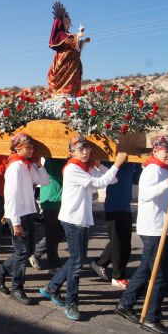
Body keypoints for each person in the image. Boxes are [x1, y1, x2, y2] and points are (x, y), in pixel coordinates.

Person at [40, 135, 126, 321]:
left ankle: (51, 288)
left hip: (82, 219)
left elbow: (112, 181)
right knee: (77, 263)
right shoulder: (73, 168)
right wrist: (116, 164)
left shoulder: (85, 167)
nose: (86, 152)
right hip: (73, 220)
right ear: (72, 152)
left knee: (75, 260)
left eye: (88, 149)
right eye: (81, 149)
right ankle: (72, 303)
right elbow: (99, 183)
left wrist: (99, 166)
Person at [115, 135, 168, 334]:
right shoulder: (152, 170)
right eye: (166, 151)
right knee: (160, 275)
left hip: (164, 226)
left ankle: (125, 304)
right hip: (154, 228)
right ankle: (152, 318)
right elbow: (145, 194)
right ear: (156, 151)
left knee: (146, 269)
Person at [0, 133, 50, 304]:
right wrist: (15, 222)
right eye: (28, 147)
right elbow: (11, 196)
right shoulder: (15, 166)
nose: (32, 150)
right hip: (18, 215)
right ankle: (17, 288)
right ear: (18, 148)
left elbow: (45, 182)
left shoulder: (27, 165)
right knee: (22, 253)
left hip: (28, 212)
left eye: (32, 147)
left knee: (26, 252)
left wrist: (39, 165)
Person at [90, 161, 142, 289]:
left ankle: (100, 263)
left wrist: (140, 164)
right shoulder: (113, 161)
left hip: (125, 206)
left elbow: (137, 179)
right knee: (120, 244)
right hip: (114, 206)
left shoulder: (132, 164)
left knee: (121, 242)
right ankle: (118, 277)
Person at [46, 1, 90, 95]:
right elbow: (69, 41)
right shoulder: (61, 35)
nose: (68, 24)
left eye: (69, 22)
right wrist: (78, 35)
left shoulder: (68, 35)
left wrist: (83, 41)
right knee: (64, 77)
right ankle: (64, 92)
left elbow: (76, 46)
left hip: (73, 62)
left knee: (73, 78)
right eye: (66, 22)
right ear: (61, 24)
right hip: (64, 61)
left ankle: (72, 93)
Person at [31, 158, 66, 274]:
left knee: (60, 233)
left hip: (61, 199)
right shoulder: (52, 158)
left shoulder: (65, 159)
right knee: (52, 234)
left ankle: (36, 252)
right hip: (51, 199)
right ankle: (53, 265)